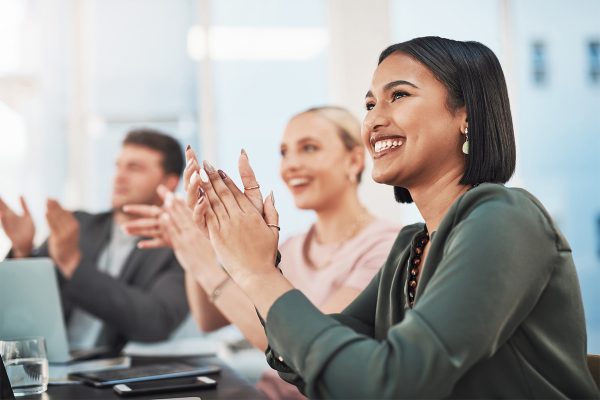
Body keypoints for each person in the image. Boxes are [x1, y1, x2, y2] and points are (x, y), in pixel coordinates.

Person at [184, 37, 600, 398]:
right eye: (369, 103)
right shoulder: (411, 246)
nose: (374, 120)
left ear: (467, 115)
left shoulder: (506, 218)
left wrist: (258, 274)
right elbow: (314, 365)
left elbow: (388, 385)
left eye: (398, 95)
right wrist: (249, 261)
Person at [123, 107, 400, 399]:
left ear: (355, 159)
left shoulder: (385, 246)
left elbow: (308, 348)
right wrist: (196, 243)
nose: (290, 165)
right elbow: (210, 318)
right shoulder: (290, 246)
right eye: (284, 152)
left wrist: (204, 264)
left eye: (309, 148)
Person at [0, 128, 189, 353]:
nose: (119, 176)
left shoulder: (179, 247)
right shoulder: (77, 226)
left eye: (134, 168)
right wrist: (22, 252)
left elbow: (157, 322)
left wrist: (73, 264)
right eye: (118, 166)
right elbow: (23, 306)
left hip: (117, 376)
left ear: (169, 183)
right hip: (46, 364)